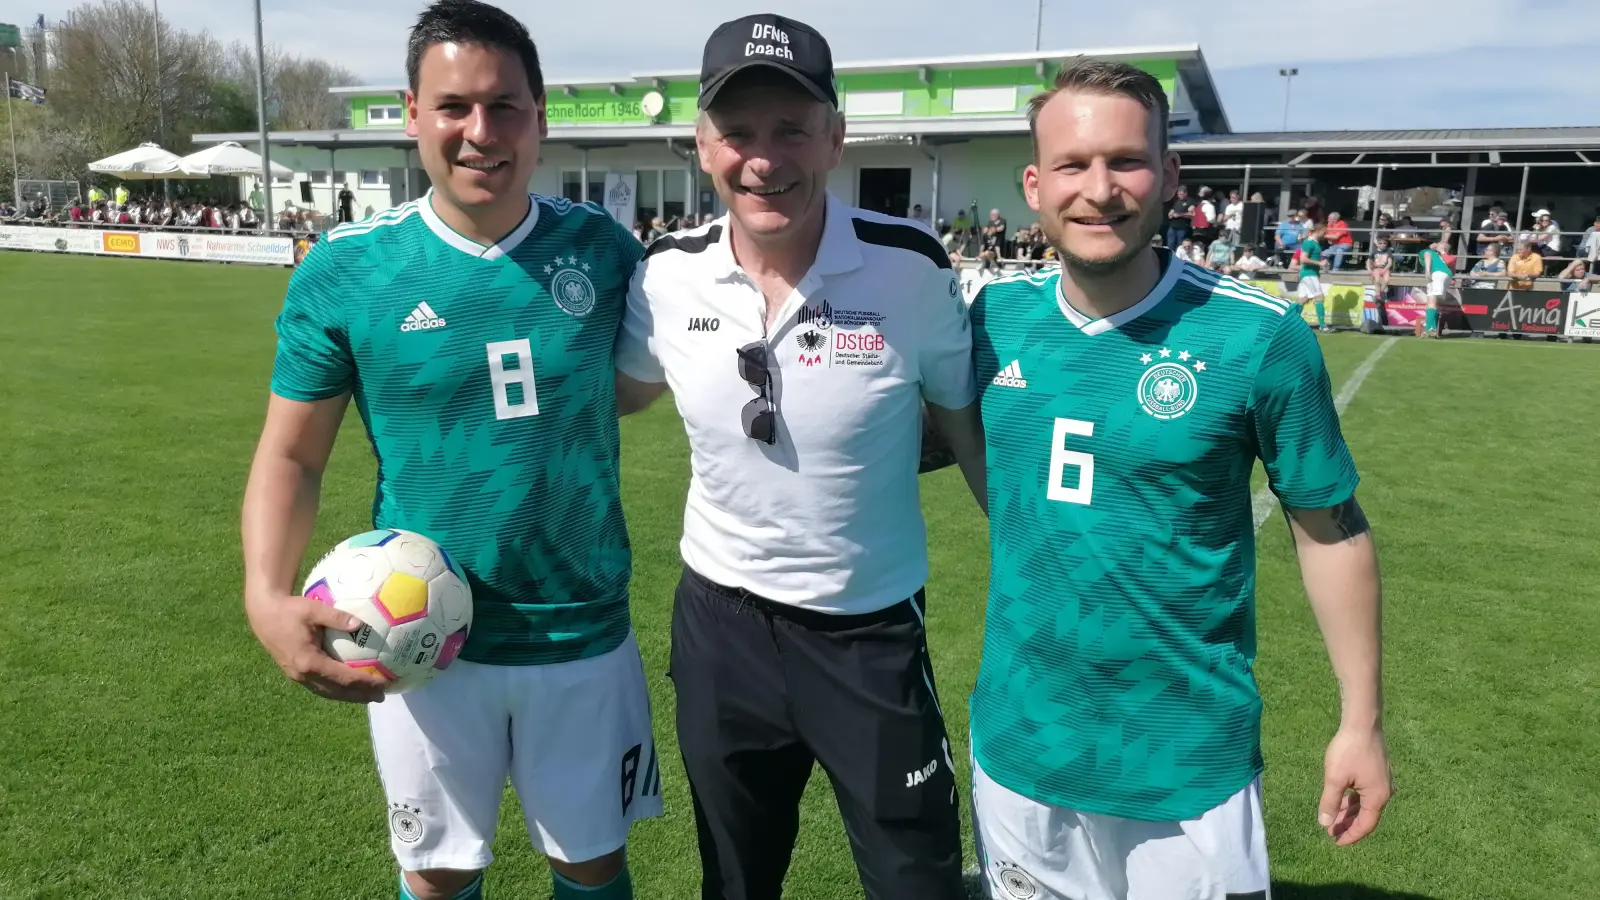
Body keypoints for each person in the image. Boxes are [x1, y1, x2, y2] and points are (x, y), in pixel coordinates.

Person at [240, 3, 660, 899]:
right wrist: (264, 596)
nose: (481, 132)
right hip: (415, 641)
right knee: (433, 877)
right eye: (454, 106)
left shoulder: (607, 253)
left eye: (505, 106)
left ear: (540, 115)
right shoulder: (347, 270)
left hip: (581, 634)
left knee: (592, 868)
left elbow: (634, 389)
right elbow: (292, 456)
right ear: (412, 112)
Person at [967, 58, 1390, 900]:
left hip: (1185, 761)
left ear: (1169, 174)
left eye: (1125, 161)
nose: (1099, 189)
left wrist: (1360, 722)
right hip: (1020, 749)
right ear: (1033, 185)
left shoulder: (1257, 337)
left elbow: (1331, 531)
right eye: (1072, 165)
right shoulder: (990, 322)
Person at [612, 14, 982, 900]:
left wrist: (1053, 586)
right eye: (738, 133)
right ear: (703, 147)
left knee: (917, 881)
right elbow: (611, 400)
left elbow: (969, 433)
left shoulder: (911, 267)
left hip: (870, 632)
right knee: (735, 883)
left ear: (835, 138)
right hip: (720, 631)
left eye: (791, 129)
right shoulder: (666, 274)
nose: (764, 158)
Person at [1417, 238, 1453, 338]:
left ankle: (1429, 329)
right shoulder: (1439, 256)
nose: (1436, 243)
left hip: (1437, 273)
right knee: (1435, 302)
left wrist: (1427, 271)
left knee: (1431, 301)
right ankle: (1434, 329)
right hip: (1445, 274)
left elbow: (1427, 256)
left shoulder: (1426, 251)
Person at [1300, 221, 1331, 332]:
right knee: (1319, 297)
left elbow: (1313, 258)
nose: (1325, 234)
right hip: (1309, 273)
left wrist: (1322, 264)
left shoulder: (1315, 243)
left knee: (1304, 299)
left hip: (1311, 273)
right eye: (1324, 232)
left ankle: (1286, 319)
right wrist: (1320, 264)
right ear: (1319, 230)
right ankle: (1323, 325)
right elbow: (1303, 259)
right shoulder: (1309, 242)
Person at [1164, 183, 1193, 249]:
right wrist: (1170, 213)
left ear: (1185, 193)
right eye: (1178, 194)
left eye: (1181, 194)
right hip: (1172, 226)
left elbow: (1192, 214)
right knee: (1170, 244)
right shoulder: (1177, 201)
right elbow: (1173, 210)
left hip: (1182, 227)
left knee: (1180, 245)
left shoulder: (1190, 202)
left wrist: (1180, 215)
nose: (1179, 196)